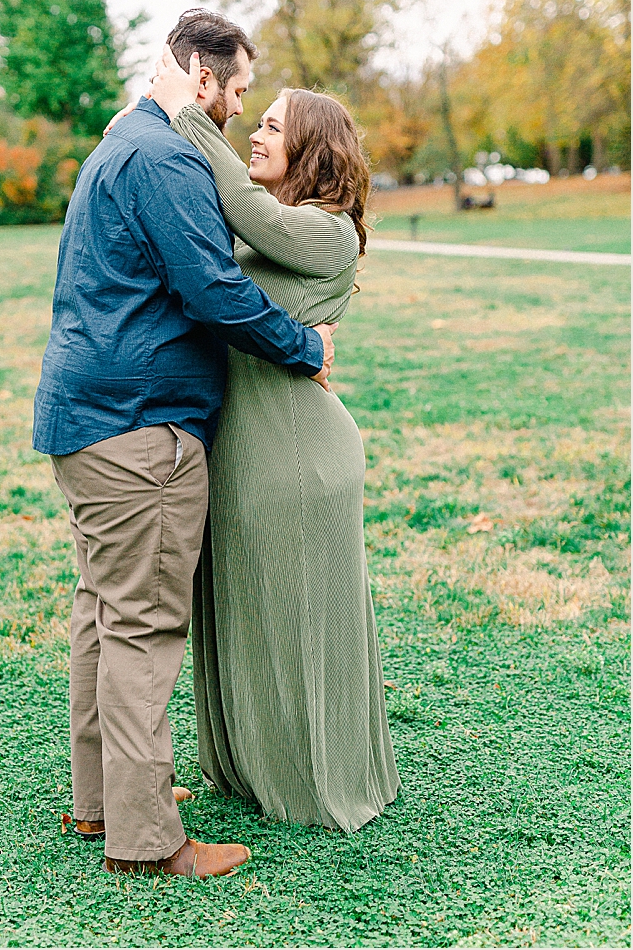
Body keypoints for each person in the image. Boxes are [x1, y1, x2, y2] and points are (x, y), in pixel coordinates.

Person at [32, 9, 336, 878]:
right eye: (237, 89)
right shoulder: (165, 157)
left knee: (103, 612)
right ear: (202, 78)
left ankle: (103, 802)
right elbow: (213, 289)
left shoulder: (123, 141)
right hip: (141, 426)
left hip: (87, 420)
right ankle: (147, 841)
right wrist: (304, 346)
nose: (239, 107)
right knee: (142, 627)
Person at [146, 42, 401, 832]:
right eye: (252, 121)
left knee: (299, 619)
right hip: (247, 448)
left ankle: (316, 778)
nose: (254, 134)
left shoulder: (326, 232)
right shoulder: (280, 232)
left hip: (296, 456)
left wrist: (186, 113)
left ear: (311, 149)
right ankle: (252, 767)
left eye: (271, 126)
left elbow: (242, 206)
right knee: (249, 613)